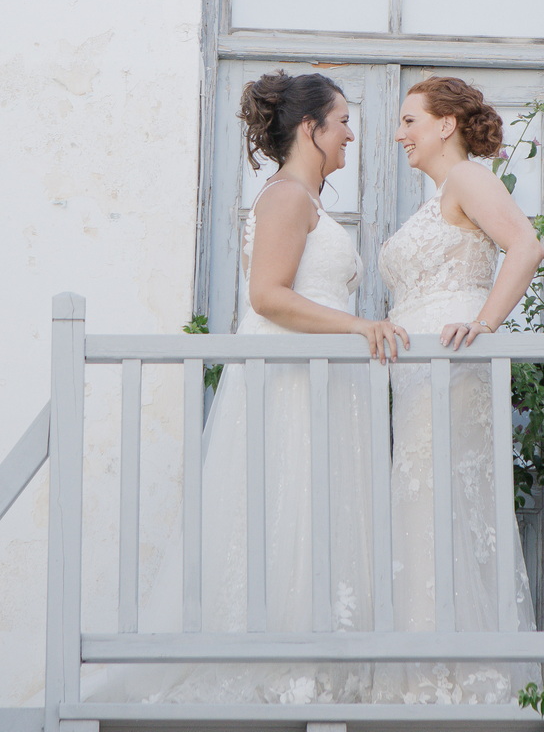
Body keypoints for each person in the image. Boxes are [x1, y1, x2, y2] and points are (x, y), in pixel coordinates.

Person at [96, 70, 405, 704]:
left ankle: (314, 664)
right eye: (343, 122)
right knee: (290, 506)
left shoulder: (300, 197)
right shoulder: (287, 196)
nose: (351, 135)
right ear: (310, 128)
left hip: (317, 380)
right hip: (291, 379)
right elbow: (267, 295)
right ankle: (285, 672)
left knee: (310, 511)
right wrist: (359, 326)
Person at [377, 75, 544, 703]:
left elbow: (526, 246)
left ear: (445, 124)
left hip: (453, 366)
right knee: (424, 507)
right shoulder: (441, 194)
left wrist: (485, 324)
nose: (400, 134)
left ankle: (453, 681)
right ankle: (426, 673)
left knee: (445, 505)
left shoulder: (469, 178)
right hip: (419, 376)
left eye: (410, 121)